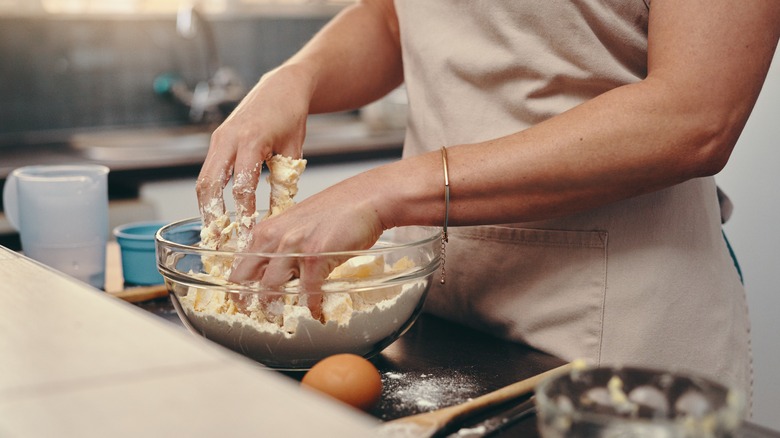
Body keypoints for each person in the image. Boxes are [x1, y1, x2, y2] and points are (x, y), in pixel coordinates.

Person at [196, 0, 780, 409]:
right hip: (433, 312)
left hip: (614, 328)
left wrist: (390, 190)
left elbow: (696, 116)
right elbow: (394, 18)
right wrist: (297, 76)